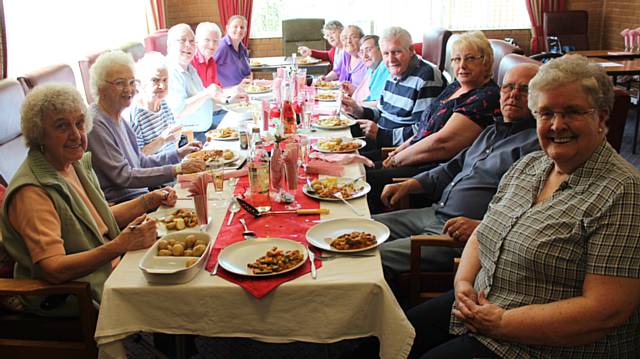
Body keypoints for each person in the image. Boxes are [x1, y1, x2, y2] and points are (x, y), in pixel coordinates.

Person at [407, 55, 640, 358]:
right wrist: (463, 283)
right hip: (481, 304)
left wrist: (502, 322)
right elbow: (483, 233)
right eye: (545, 113)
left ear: (602, 116)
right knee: (391, 335)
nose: (557, 125)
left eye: (572, 112)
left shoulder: (624, 192)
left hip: (542, 344)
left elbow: (604, 312)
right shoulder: (529, 166)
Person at [374, 63, 540, 307]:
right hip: (434, 212)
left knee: (369, 257)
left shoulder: (535, 145)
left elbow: (530, 211)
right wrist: (411, 184)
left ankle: (375, 330)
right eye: (508, 87)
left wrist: (482, 226)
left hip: (458, 236)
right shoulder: (492, 131)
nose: (513, 95)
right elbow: (453, 166)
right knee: (362, 229)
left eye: (524, 90)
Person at [1, 84, 174, 316]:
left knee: (176, 261)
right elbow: (54, 269)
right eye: (62, 126)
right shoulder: (33, 191)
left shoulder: (73, 163)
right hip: (73, 293)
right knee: (173, 284)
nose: (76, 135)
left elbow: (95, 221)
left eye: (80, 123)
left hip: (108, 266)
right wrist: (119, 246)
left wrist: (149, 200)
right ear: (39, 134)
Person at [365, 31, 501, 213]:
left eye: (470, 59)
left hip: (431, 173)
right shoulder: (457, 86)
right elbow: (424, 126)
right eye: (456, 59)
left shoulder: (486, 96)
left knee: (363, 181)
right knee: (356, 167)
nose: (462, 66)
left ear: (486, 61)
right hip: (413, 158)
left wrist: (398, 158)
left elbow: (442, 143)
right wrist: (400, 149)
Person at [87, 50, 205, 203]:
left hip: (144, 196)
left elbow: (141, 162)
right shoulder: (96, 124)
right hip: (126, 206)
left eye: (131, 82)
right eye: (119, 83)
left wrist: (178, 154)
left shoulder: (119, 118)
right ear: (100, 87)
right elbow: (123, 176)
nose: (128, 89)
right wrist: (176, 170)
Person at [341, 26, 445, 152]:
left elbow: (424, 131)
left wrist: (381, 135)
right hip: (379, 139)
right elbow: (383, 112)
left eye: (396, 52)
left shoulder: (426, 77)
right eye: (386, 53)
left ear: (411, 50)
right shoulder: (394, 72)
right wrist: (359, 110)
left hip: (394, 150)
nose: (391, 59)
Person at [165, 23, 247, 142]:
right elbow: (179, 111)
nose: (188, 45)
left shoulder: (190, 70)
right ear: (170, 45)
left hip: (204, 130)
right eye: (182, 40)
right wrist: (207, 93)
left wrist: (229, 100)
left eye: (192, 41)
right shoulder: (170, 72)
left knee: (243, 129)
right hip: (188, 138)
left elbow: (208, 98)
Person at [129, 51, 182, 155]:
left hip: (173, 164)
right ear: (139, 84)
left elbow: (172, 143)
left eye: (165, 80)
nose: (162, 86)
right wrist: (162, 140)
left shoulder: (164, 104)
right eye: (155, 80)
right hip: (156, 170)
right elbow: (137, 157)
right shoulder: (135, 115)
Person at [341, 34, 390, 104]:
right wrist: (353, 90)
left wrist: (355, 105)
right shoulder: (371, 69)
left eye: (369, 50)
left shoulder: (384, 68)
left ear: (381, 50)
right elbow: (368, 95)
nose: (365, 56)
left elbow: (378, 103)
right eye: (362, 52)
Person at [214, 15, 251, 87]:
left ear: (245, 32)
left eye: (242, 27)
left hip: (243, 91)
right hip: (226, 93)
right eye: (235, 26)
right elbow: (209, 67)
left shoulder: (244, 50)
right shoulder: (221, 46)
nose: (239, 30)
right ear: (227, 28)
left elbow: (247, 73)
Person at [192, 22, 223, 88]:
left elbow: (217, 89)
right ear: (196, 40)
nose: (212, 45)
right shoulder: (191, 62)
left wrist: (234, 90)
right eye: (207, 40)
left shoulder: (212, 62)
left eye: (215, 41)